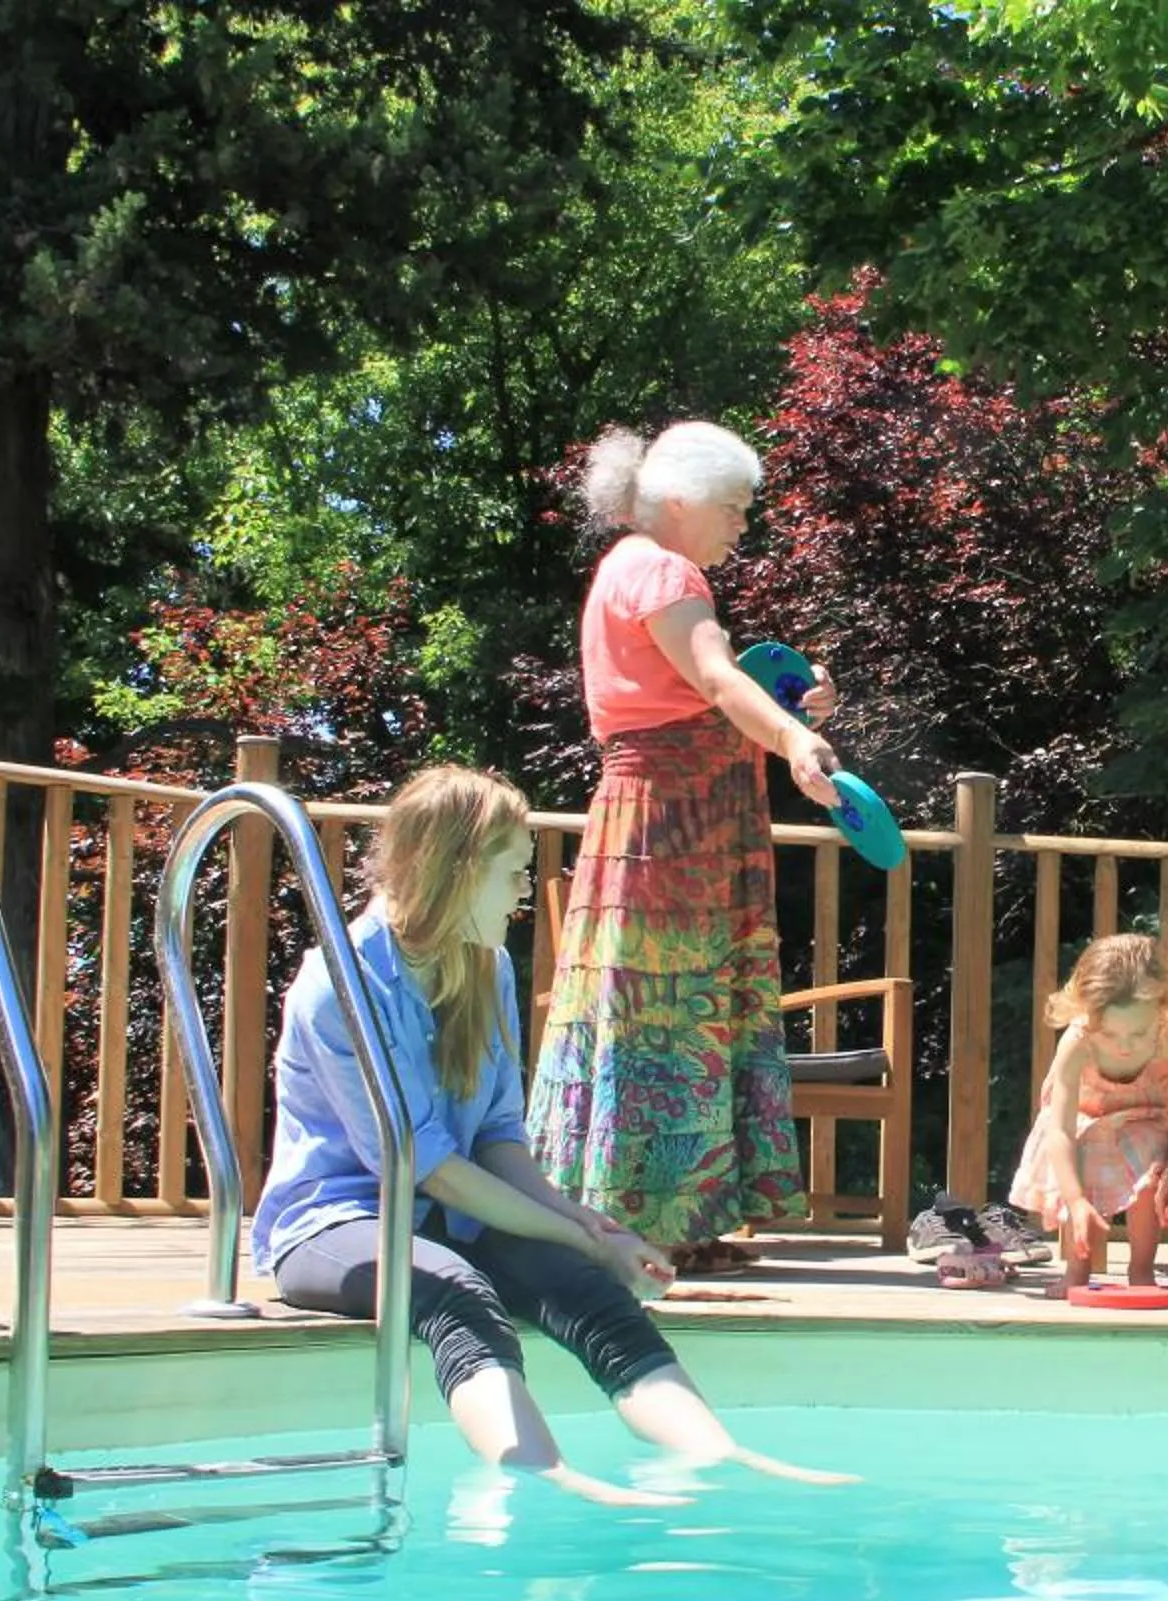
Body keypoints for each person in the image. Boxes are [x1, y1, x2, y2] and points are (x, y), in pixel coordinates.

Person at [253, 766, 850, 1506]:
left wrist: (591, 1231)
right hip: (337, 1224)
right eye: (512, 873)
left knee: (582, 1285)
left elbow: (498, 1137)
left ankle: (716, 1455)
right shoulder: (342, 984)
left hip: (449, 1216)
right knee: (456, 1294)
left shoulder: (485, 966)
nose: (523, 893)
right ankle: (543, 1475)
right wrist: (583, 1235)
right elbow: (428, 1167)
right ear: (457, 869)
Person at [529, 420, 842, 1276]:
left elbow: (706, 687)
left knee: (639, 1012)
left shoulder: (622, 569)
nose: (743, 523)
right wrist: (795, 740)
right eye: (732, 506)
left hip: (650, 819)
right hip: (679, 827)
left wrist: (790, 707)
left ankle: (640, 1222)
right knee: (676, 1010)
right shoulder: (668, 572)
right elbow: (711, 677)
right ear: (678, 501)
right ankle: (657, 1230)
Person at [1009, 933, 1168, 1295]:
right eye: (1110, 1034)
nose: (1125, 1046)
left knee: (1147, 1172)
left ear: (1161, 1009)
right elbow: (1061, 1130)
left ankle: (1141, 1270)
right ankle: (1077, 1271)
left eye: (1139, 1033)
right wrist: (1075, 1200)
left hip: (1147, 1121)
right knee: (1082, 1155)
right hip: (1083, 1122)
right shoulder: (1078, 1042)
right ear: (1088, 1015)